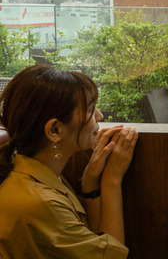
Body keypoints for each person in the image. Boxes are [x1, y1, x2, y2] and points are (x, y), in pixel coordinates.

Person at [0, 64, 138, 258]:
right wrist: (112, 180)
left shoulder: (44, 174)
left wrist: (90, 186)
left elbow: (92, 238)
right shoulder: (40, 203)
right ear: (55, 130)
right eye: (90, 109)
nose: (100, 115)